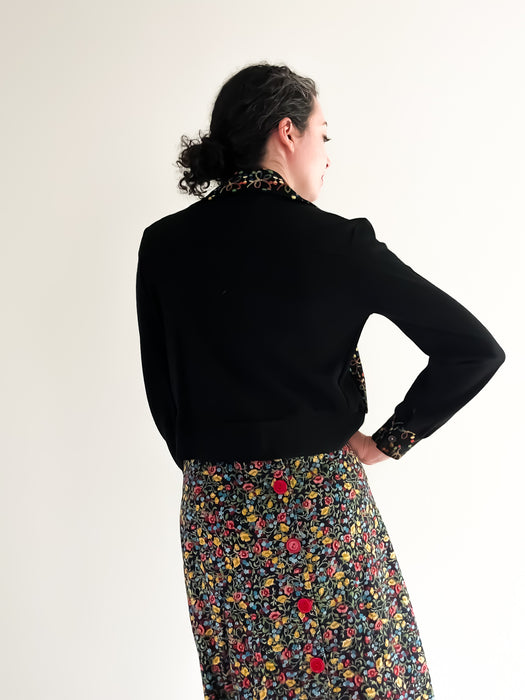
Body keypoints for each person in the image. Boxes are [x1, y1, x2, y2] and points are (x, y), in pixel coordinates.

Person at [135, 62, 505, 700]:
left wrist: (221, 469)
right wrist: (388, 441)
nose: (327, 155)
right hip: (319, 505)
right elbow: (473, 350)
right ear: (287, 132)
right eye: (323, 135)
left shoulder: (164, 244)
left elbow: (163, 394)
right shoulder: (338, 243)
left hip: (216, 513)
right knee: (366, 680)